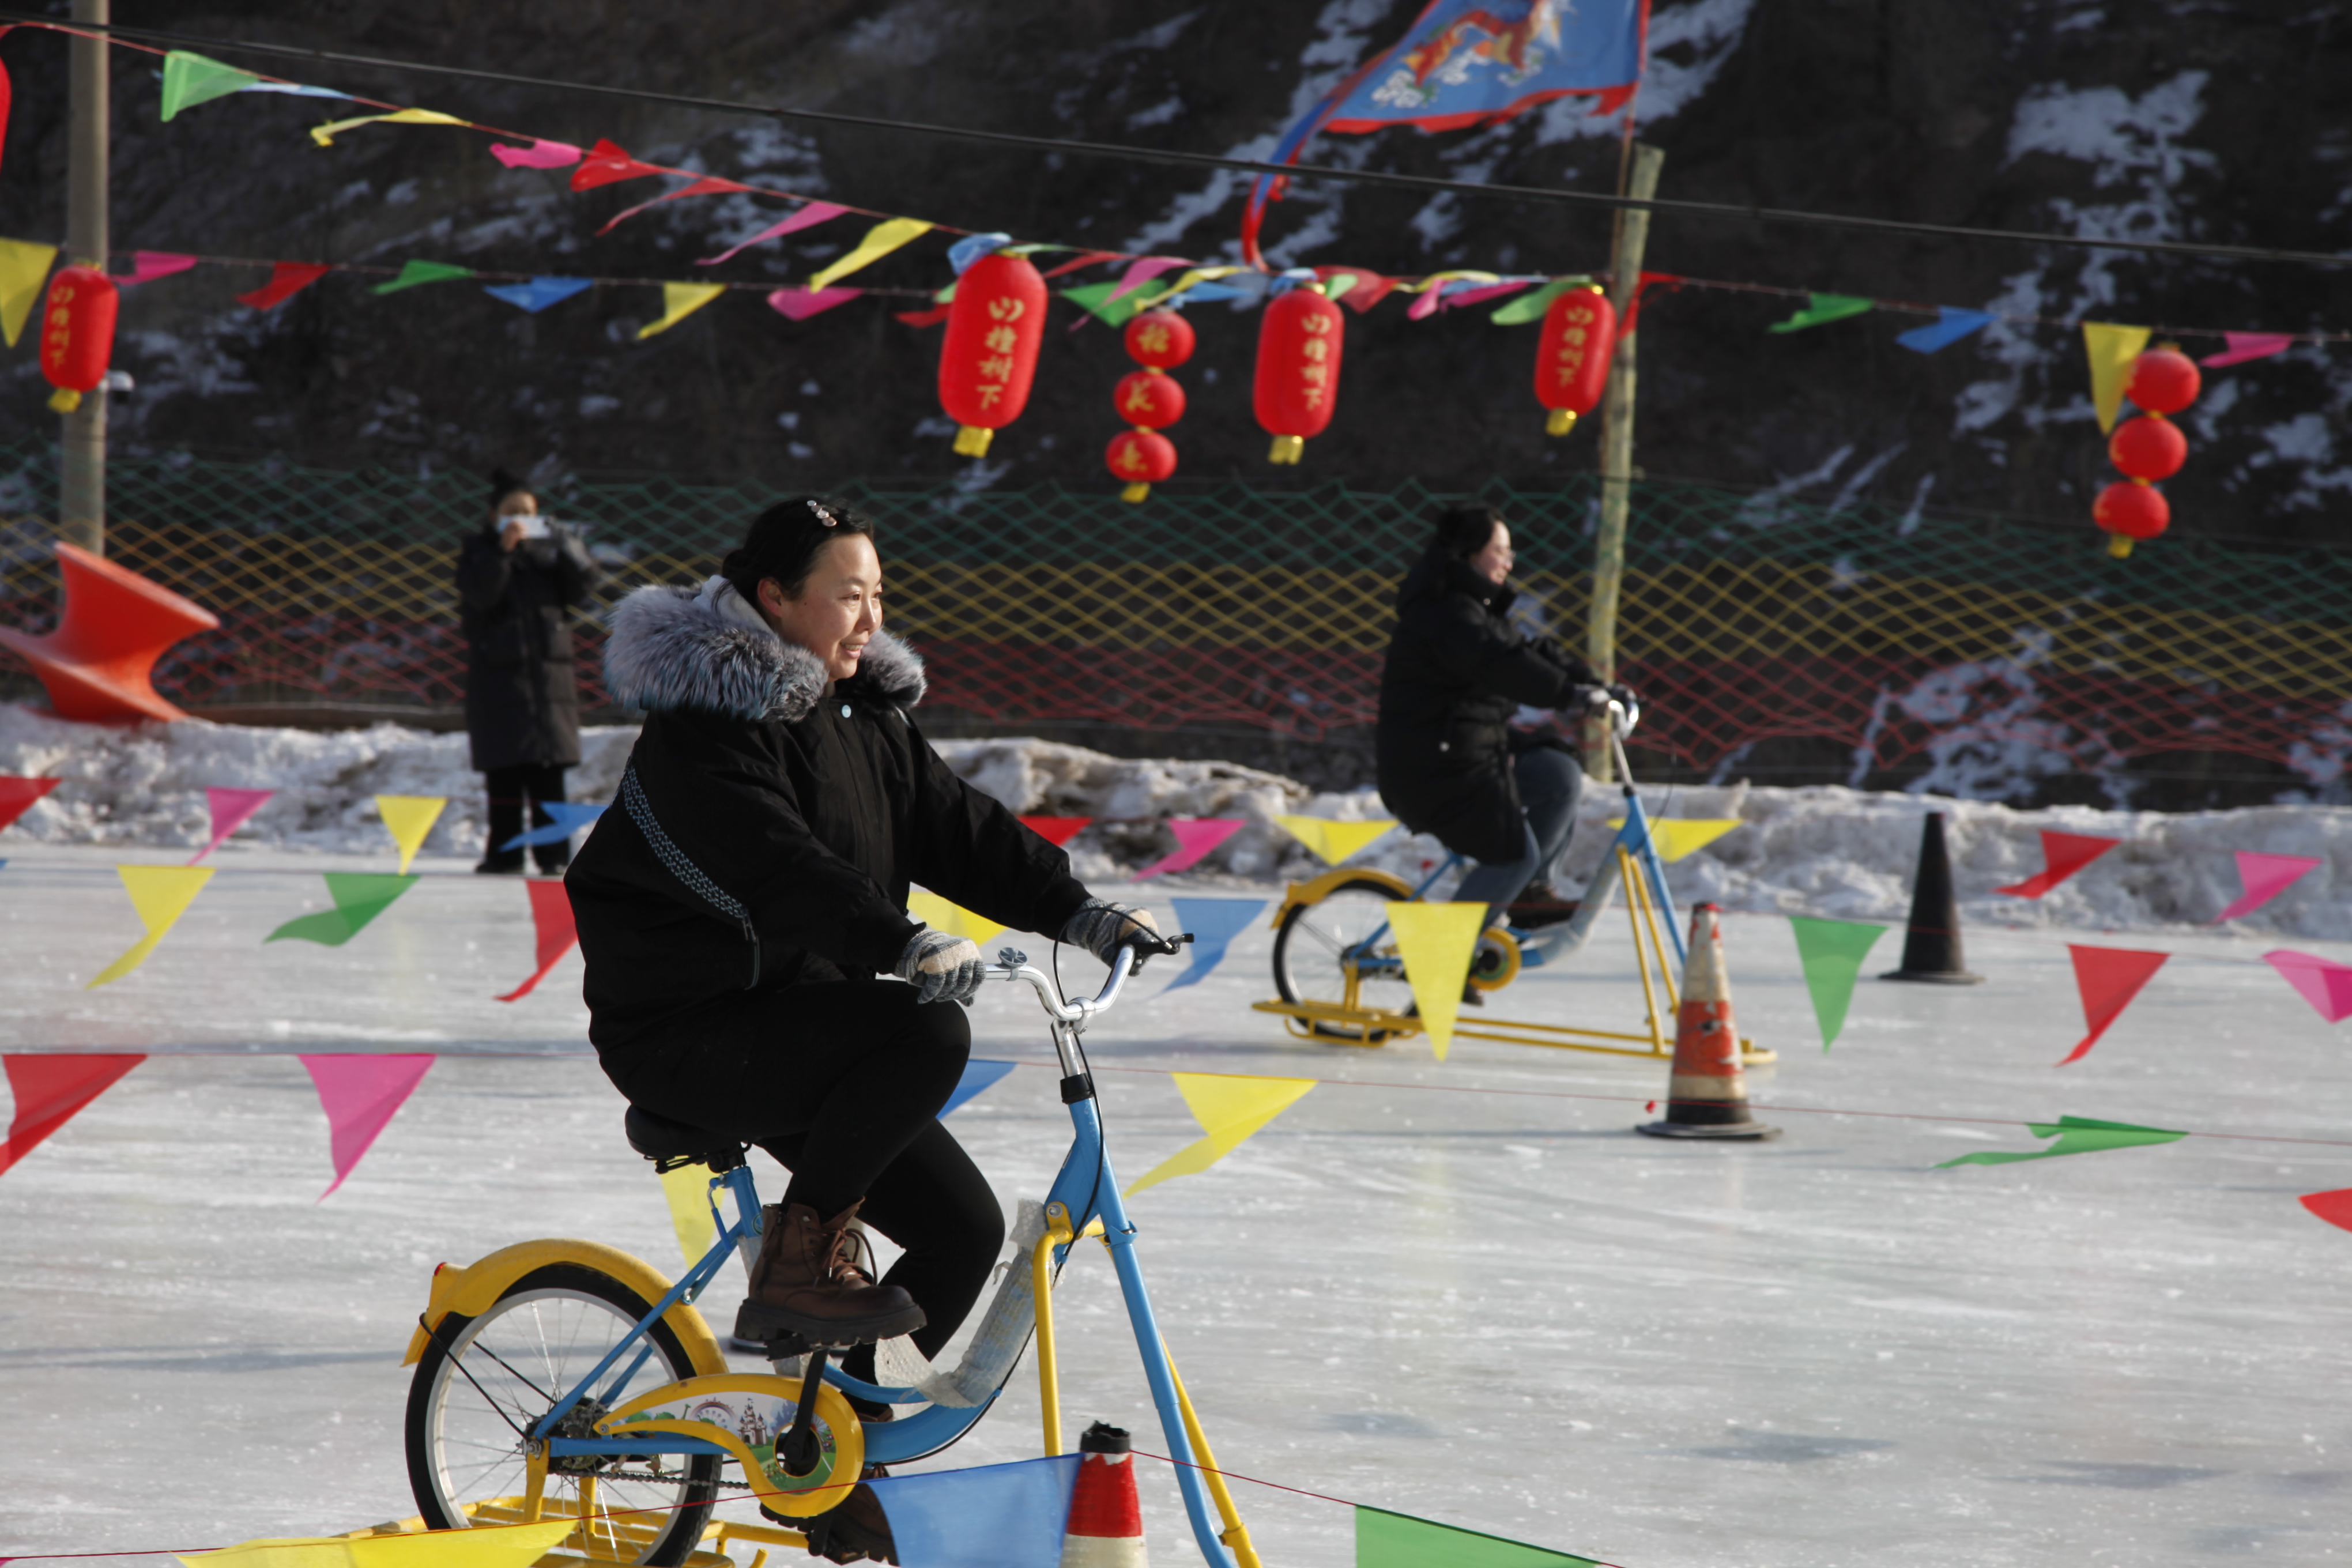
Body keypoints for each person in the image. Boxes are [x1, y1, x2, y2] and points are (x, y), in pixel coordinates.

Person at [565, 495, 1164, 1562]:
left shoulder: (861, 713)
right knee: (926, 1033)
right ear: (775, 600)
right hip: (689, 1028)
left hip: (801, 1020)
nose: (869, 616)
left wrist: (1079, 910)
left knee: (963, 1231)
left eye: (879, 594)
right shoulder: (705, 729)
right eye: (848, 595)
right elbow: (779, 866)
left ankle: (838, 1449)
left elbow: (955, 824)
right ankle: (799, 1269)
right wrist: (898, 940)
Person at [1375, 503, 1628, 942]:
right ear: (1470, 553)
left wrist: (1595, 686)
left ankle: (1529, 895)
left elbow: (1527, 652)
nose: (1510, 562)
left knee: (1559, 774)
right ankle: (1441, 965)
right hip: (1430, 766)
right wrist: (1568, 696)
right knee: (1512, 854)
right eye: (1501, 550)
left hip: (1465, 747)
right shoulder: (1446, 613)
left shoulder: (1473, 608)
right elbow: (1500, 663)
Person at [456, 470, 600, 875]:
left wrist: (569, 548)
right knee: (504, 777)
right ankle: (504, 855)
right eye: (512, 511)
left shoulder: (548, 555)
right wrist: (503, 551)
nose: (520, 518)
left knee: (549, 776)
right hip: (498, 682)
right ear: (493, 515)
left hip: (548, 684)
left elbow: (585, 585)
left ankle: (553, 857)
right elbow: (480, 597)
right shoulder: (477, 553)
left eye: (528, 512)